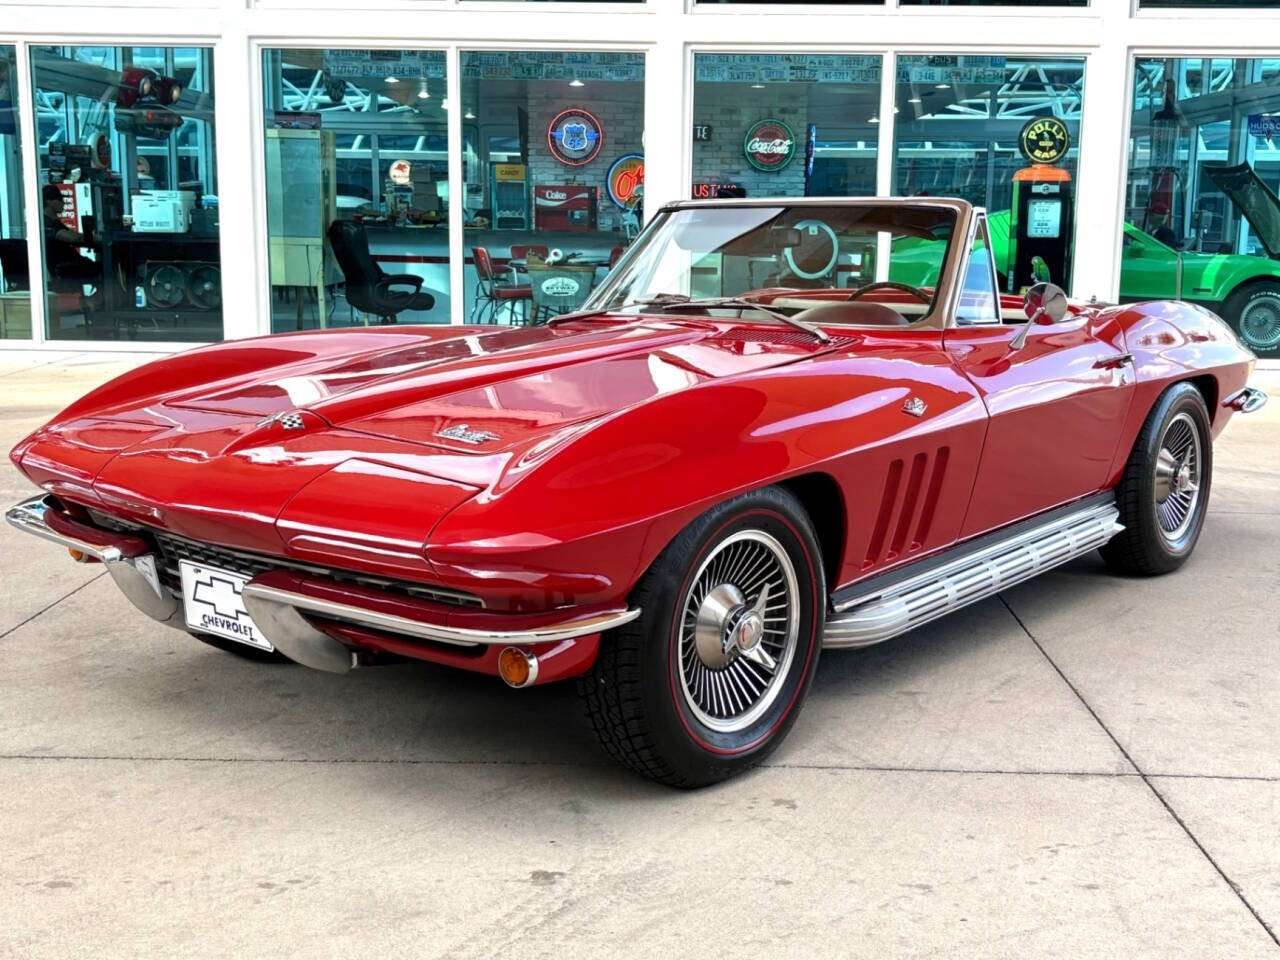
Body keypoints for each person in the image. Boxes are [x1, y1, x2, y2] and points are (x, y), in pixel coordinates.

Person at [41, 183, 101, 288]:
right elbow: (71, 237)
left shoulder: (53, 222)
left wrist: (93, 237)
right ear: (49, 201)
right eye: (59, 199)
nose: (63, 203)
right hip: (68, 267)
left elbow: (73, 234)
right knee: (105, 268)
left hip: (70, 264)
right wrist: (93, 238)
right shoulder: (47, 223)